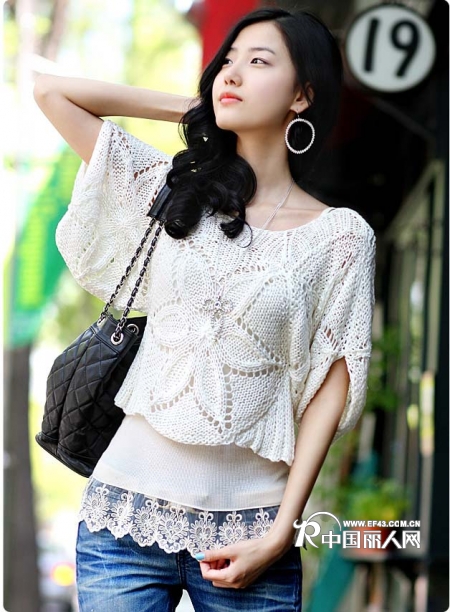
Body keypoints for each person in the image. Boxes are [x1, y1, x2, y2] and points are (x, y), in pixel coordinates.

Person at [34, 7, 376, 612]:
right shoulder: (175, 195)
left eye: (259, 62)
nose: (232, 74)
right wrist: (195, 111)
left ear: (301, 95)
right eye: (227, 61)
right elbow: (51, 91)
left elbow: (332, 387)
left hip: (252, 532)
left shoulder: (341, 237)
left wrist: (282, 533)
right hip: (123, 521)